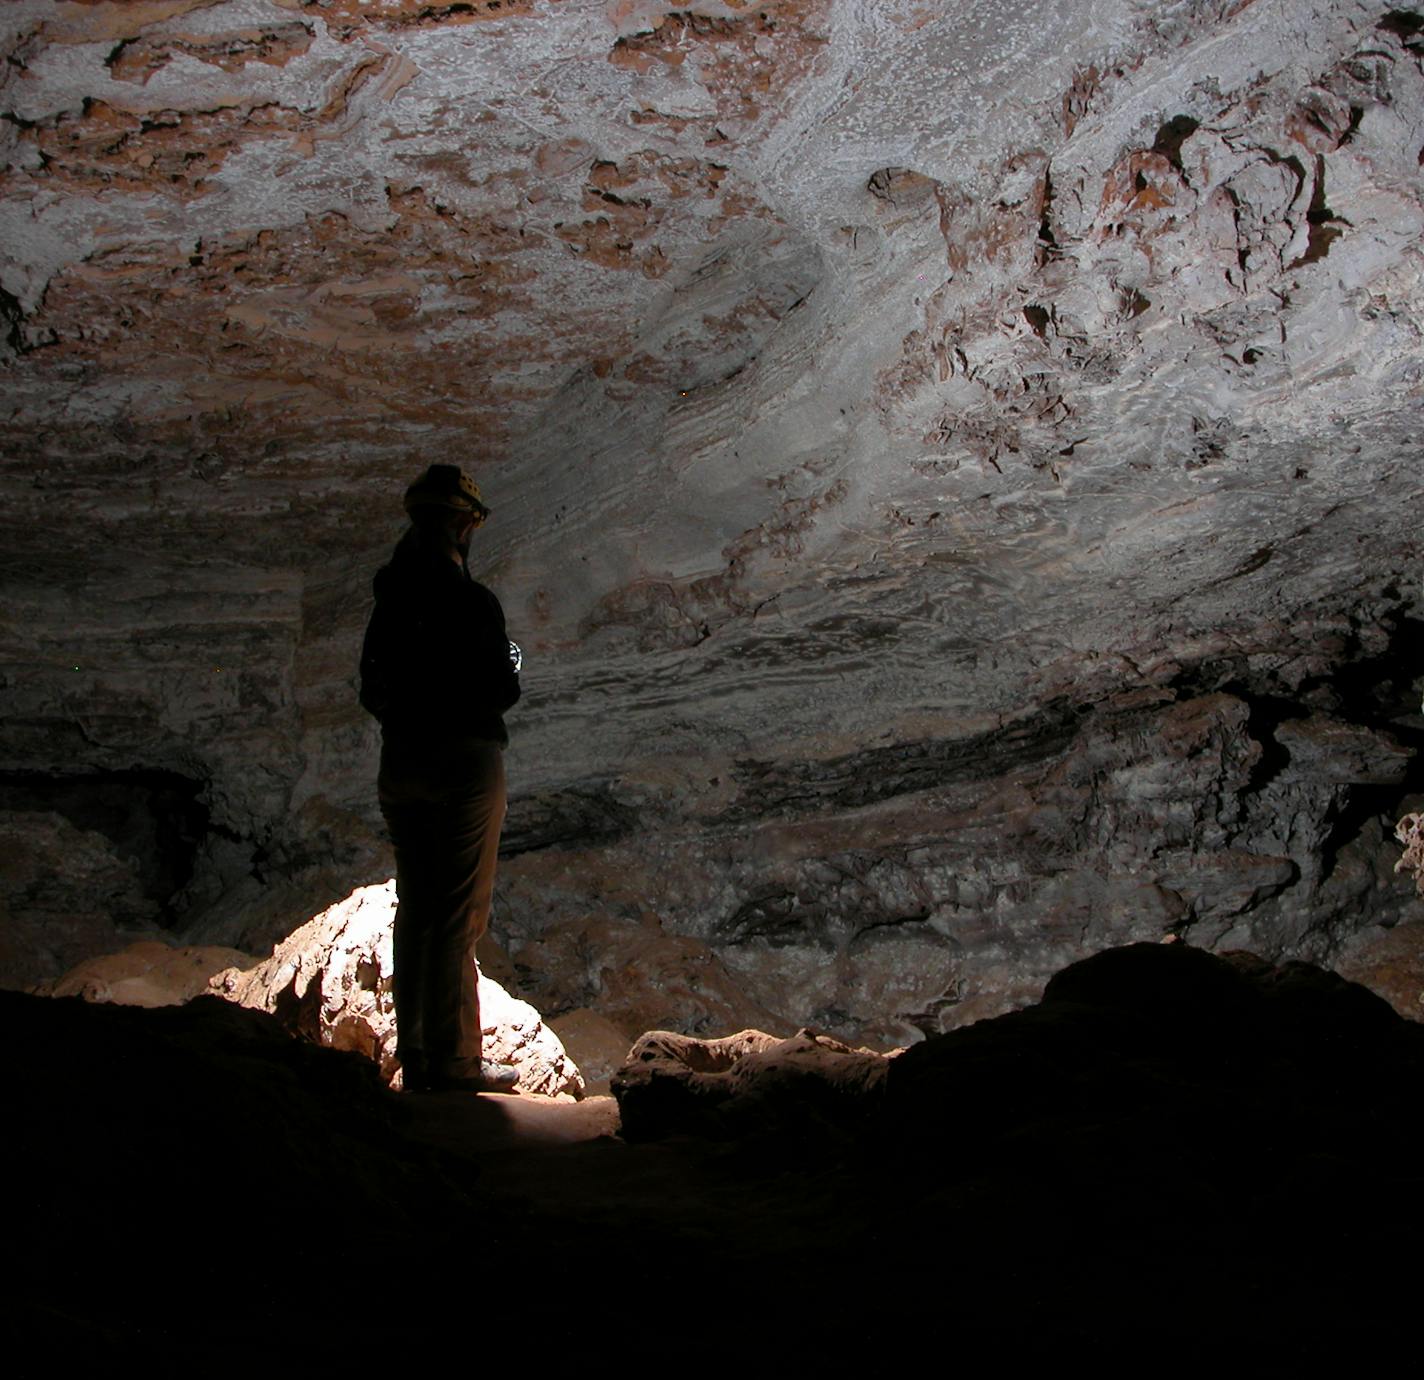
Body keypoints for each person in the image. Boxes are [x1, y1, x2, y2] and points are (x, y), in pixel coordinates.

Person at [359, 464, 522, 1093]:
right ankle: (454, 1061)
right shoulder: (470, 601)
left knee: (417, 907)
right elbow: (503, 685)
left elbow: (372, 688)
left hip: (402, 761)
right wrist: (512, 654)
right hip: (463, 763)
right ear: (462, 522)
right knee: (458, 912)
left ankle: (417, 1053)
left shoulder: (390, 598)